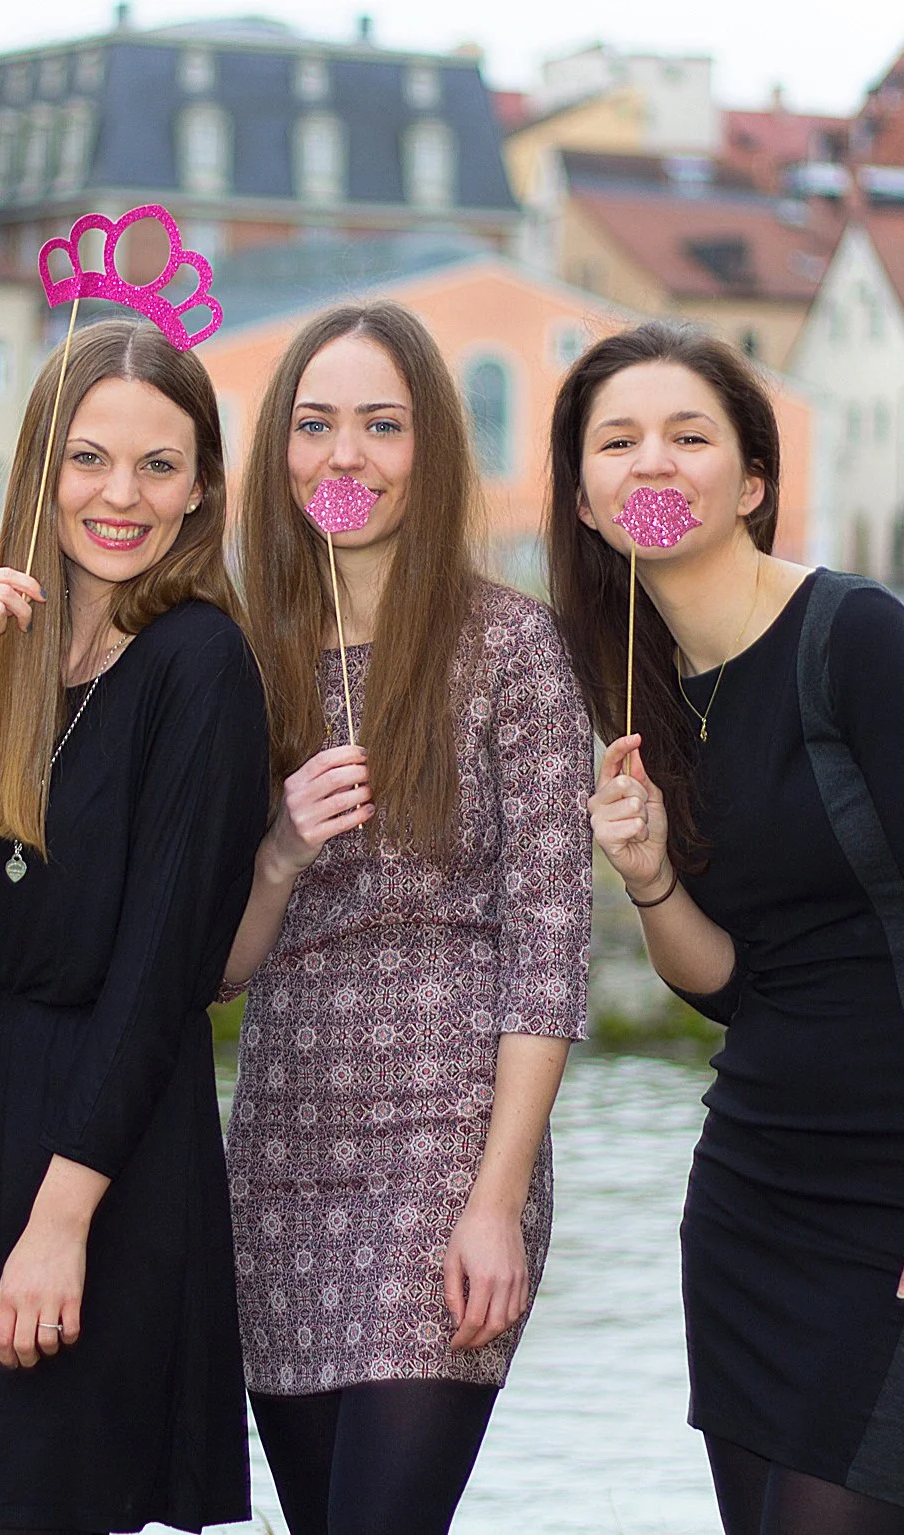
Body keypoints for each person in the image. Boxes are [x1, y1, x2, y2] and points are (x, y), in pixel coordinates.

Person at [546, 321, 904, 1535]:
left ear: (750, 480)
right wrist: (650, 874)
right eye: (618, 441)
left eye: (686, 435)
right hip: (753, 1185)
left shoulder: (855, 636)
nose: (652, 462)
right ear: (588, 501)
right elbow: (726, 985)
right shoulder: (641, 690)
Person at [0, 319, 267, 1535]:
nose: (121, 495)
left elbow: (163, 977)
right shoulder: (3, 652)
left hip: (103, 1147)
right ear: (41, 468)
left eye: (160, 464)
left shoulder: (200, 663)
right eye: (90, 458)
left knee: (51, 1496)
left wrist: (61, 1223)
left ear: (202, 485)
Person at [220, 301, 593, 1535]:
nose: (346, 456)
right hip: (280, 1151)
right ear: (279, 449)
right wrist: (277, 850)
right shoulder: (243, 655)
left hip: (446, 1148)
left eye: (382, 425)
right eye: (316, 424)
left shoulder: (511, 650)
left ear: (431, 449)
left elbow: (549, 949)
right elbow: (216, 972)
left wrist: (494, 1199)